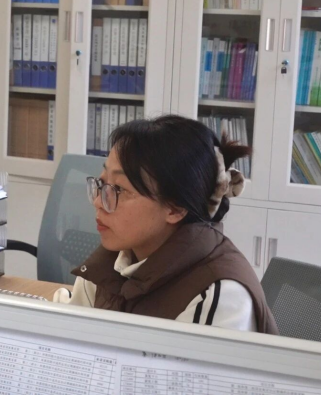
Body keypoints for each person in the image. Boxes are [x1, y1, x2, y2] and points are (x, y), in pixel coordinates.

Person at [53, 115, 279, 334]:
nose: (98, 202)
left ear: (175, 208)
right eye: (102, 183)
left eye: (119, 189)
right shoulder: (115, 258)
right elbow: (72, 331)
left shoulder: (218, 298)